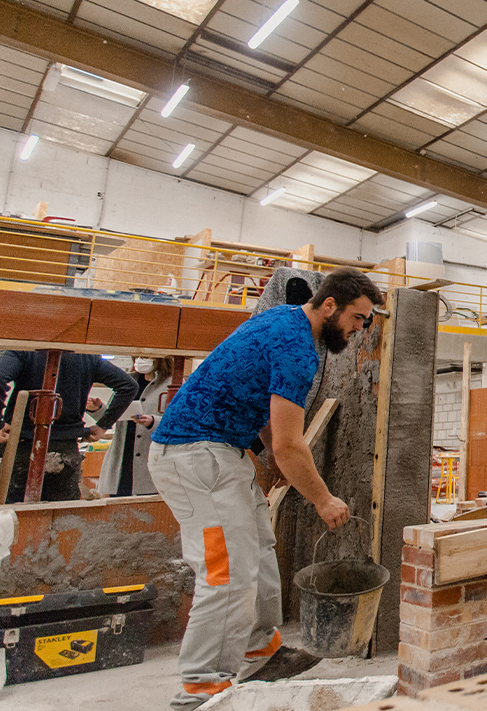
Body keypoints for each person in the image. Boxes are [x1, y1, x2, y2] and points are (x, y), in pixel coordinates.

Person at [149, 267, 383, 710]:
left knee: (257, 548)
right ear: (329, 306)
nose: (359, 329)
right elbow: (289, 446)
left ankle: (260, 653)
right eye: (357, 318)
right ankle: (202, 687)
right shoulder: (298, 348)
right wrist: (324, 499)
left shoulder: (281, 320)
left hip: (225, 452)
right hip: (194, 455)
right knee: (228, 573)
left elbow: (252, 399)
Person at [0, 352, 137, 502]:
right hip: (65, 452)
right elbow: (128, 386)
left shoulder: (25, 352)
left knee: (16, 518)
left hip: (23, 447)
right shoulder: (86, 357)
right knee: (63, 518)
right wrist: (103, 426)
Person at [99, 357, 175, 497]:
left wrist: (153, 421)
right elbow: (111, 416)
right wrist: (97, 408)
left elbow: (178, 423)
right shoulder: (127, 381)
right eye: (137, 356)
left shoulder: (173, 384)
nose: (140, 360)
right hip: (122, 457)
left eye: (146, 357)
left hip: (149, 460)